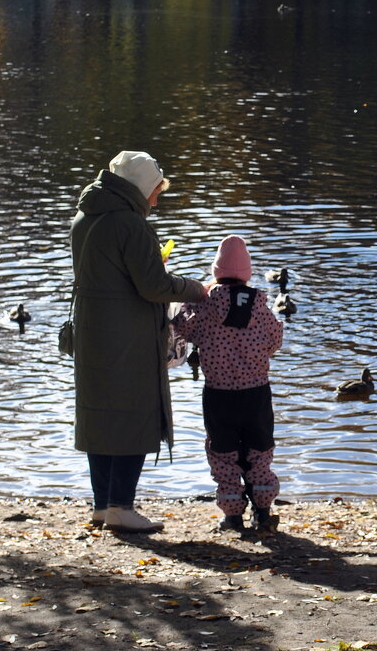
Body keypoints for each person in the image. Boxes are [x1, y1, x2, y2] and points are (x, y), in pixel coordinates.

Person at [70, 151, 207, 533]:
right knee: (135, 414)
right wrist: (199, 289)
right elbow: (154, 286)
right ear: (142, 188)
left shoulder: (84, 217)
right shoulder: (131, 225)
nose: (158, 199)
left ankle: (102, 504)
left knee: (100, 417)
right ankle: (121, 506)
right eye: (156, 191)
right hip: (127, 336)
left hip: (91, 332)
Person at [173, 235, 284, 532]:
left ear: (216, 271)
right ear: (246, 272)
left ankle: (232, 514)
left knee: (223, 452)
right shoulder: (259, 303)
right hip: (257, 392)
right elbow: (275, 340)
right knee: (259, 449)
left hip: (219, 394)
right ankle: (263, 509)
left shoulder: (206, 302)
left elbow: (182, 328)